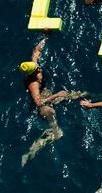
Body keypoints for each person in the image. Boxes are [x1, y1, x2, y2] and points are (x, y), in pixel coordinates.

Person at [19, 37, 87, 166]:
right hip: (44, 106)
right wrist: (56, 95)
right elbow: (39, 102)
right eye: (37, 70)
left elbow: (36, 52)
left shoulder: (33, 67)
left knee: (78, 94)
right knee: (57, 133)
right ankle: (31, 151)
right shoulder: (33, 84)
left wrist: (45, 38)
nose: (39, 69)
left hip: (49, 97)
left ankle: (96, 94)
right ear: (32, 73)